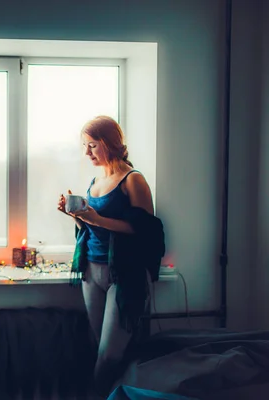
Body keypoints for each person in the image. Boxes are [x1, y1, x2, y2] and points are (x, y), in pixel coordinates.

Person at [57, 116, 165, 393]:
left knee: (110, 354)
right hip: (92, 271)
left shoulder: (133, 179)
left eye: (92, 145)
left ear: (109, 143)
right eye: (85, 146)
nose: (87, 153)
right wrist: (75, 216)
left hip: (125, 274)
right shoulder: (97, 179)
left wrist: (93, 218)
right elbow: (91, 228)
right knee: (99, 348)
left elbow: (145, 230)